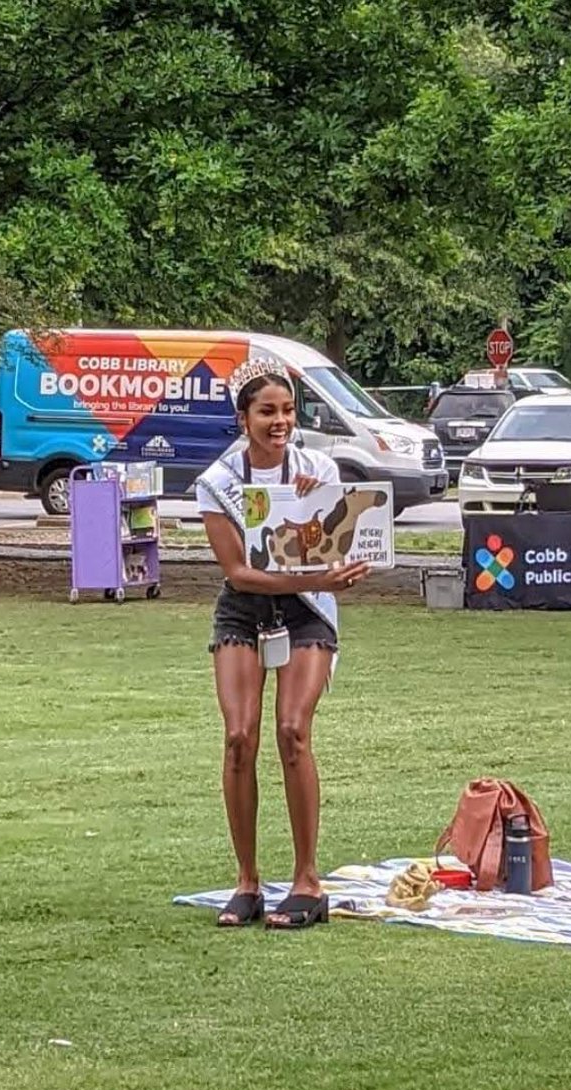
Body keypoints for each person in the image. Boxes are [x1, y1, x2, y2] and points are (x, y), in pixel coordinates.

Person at [196, 359, 370, 930]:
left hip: (306, 611)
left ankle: (307, 880)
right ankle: (247, 882)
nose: (280, 421)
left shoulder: (316, 465)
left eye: (288, 410)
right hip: (246, 610)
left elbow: (337, 538)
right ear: (243, 417)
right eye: (267, 411)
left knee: (293, 731)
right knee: (238, 737)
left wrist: (318, 503)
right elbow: (239, 572)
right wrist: (318, 577)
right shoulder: (218, 483)